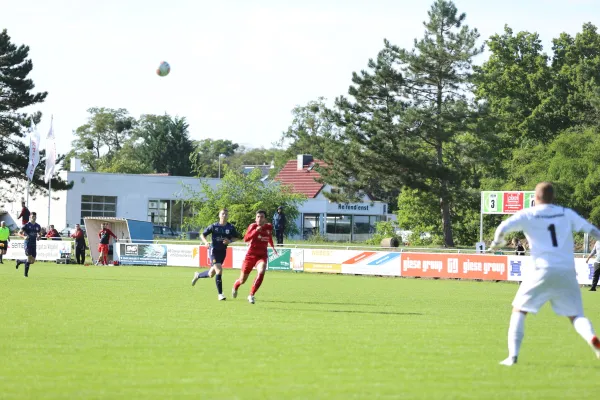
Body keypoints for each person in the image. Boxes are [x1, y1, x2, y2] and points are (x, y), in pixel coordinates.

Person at [490, 182, 600, 366]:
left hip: (540, 269)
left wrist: (496, 243)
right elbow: (593, 230)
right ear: (552, 197)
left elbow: (503, 227)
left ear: (536, 197)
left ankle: (512, 357)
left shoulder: (528, 214)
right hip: (566, 270)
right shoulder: (566, 213)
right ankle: (594, 342)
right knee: (576, 316)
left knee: (519, 310)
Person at [191, 208, 239, 300]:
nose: (224, 215)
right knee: (219, 270)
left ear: (228, 216)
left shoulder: (230, 227)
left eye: (226, 214)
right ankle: (220, 294)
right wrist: (205, 242)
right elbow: (202, 235)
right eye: (222, 214)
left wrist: (229, 241)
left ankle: (198, 275)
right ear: (219, 215)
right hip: (214, 251)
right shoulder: (214, 226)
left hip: (223, 251)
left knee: (211, 274)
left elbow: (237, 237)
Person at [232, 210, 278, 304]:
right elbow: (245, 239)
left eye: (261, 217)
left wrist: (273, 247)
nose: (259, 219)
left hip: (262, 255)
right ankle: (235, 286)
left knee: (261, 271)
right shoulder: (253, 226)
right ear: (255, 218)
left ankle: (251, 295)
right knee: (242, 280)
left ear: (265, 219)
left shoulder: (269, 227)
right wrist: (255, 232)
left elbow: (269, 237)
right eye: (258, 216)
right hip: (250, 256)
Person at [15, 212, 41, 277]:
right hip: (28, 244)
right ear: (30, 217)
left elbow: (40, 234)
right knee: (29, 259)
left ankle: (19, 261)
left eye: (35, 217)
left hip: (34, 244)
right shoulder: (26, 225)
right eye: (32, 217)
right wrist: (24, 237)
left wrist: (38, 237)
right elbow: (18, 233)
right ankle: (25, 275)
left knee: (32, 261)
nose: (34, 218)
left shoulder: (38, 226)